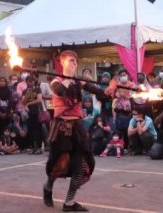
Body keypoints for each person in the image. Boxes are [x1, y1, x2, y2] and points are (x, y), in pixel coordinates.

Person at [43, 50, 106, 211]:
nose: (74, 64)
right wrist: (68, 78)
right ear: (63, 63)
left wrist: (108, 90)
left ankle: (69, 202)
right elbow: (60, 92)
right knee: (57, 165)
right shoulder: (55, 81)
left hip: (77, 128)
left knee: (83, 165)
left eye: (76, 62)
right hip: (61, 128)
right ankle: (48, 187)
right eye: (71, 61)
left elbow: (98, 92)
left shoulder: (79, 82)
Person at [22, 76, 43, 154]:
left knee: (38, 130)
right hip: (29, 113)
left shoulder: (37, 89)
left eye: (32, 81)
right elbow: (23, 102)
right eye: (29, 81)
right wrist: (27, 93)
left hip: (37, 112)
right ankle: (32, 147)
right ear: (26, 82)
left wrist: (29, 103)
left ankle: (39, 147)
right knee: (31, 130)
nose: (31, 82)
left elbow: (39, 99)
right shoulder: (24, 91)